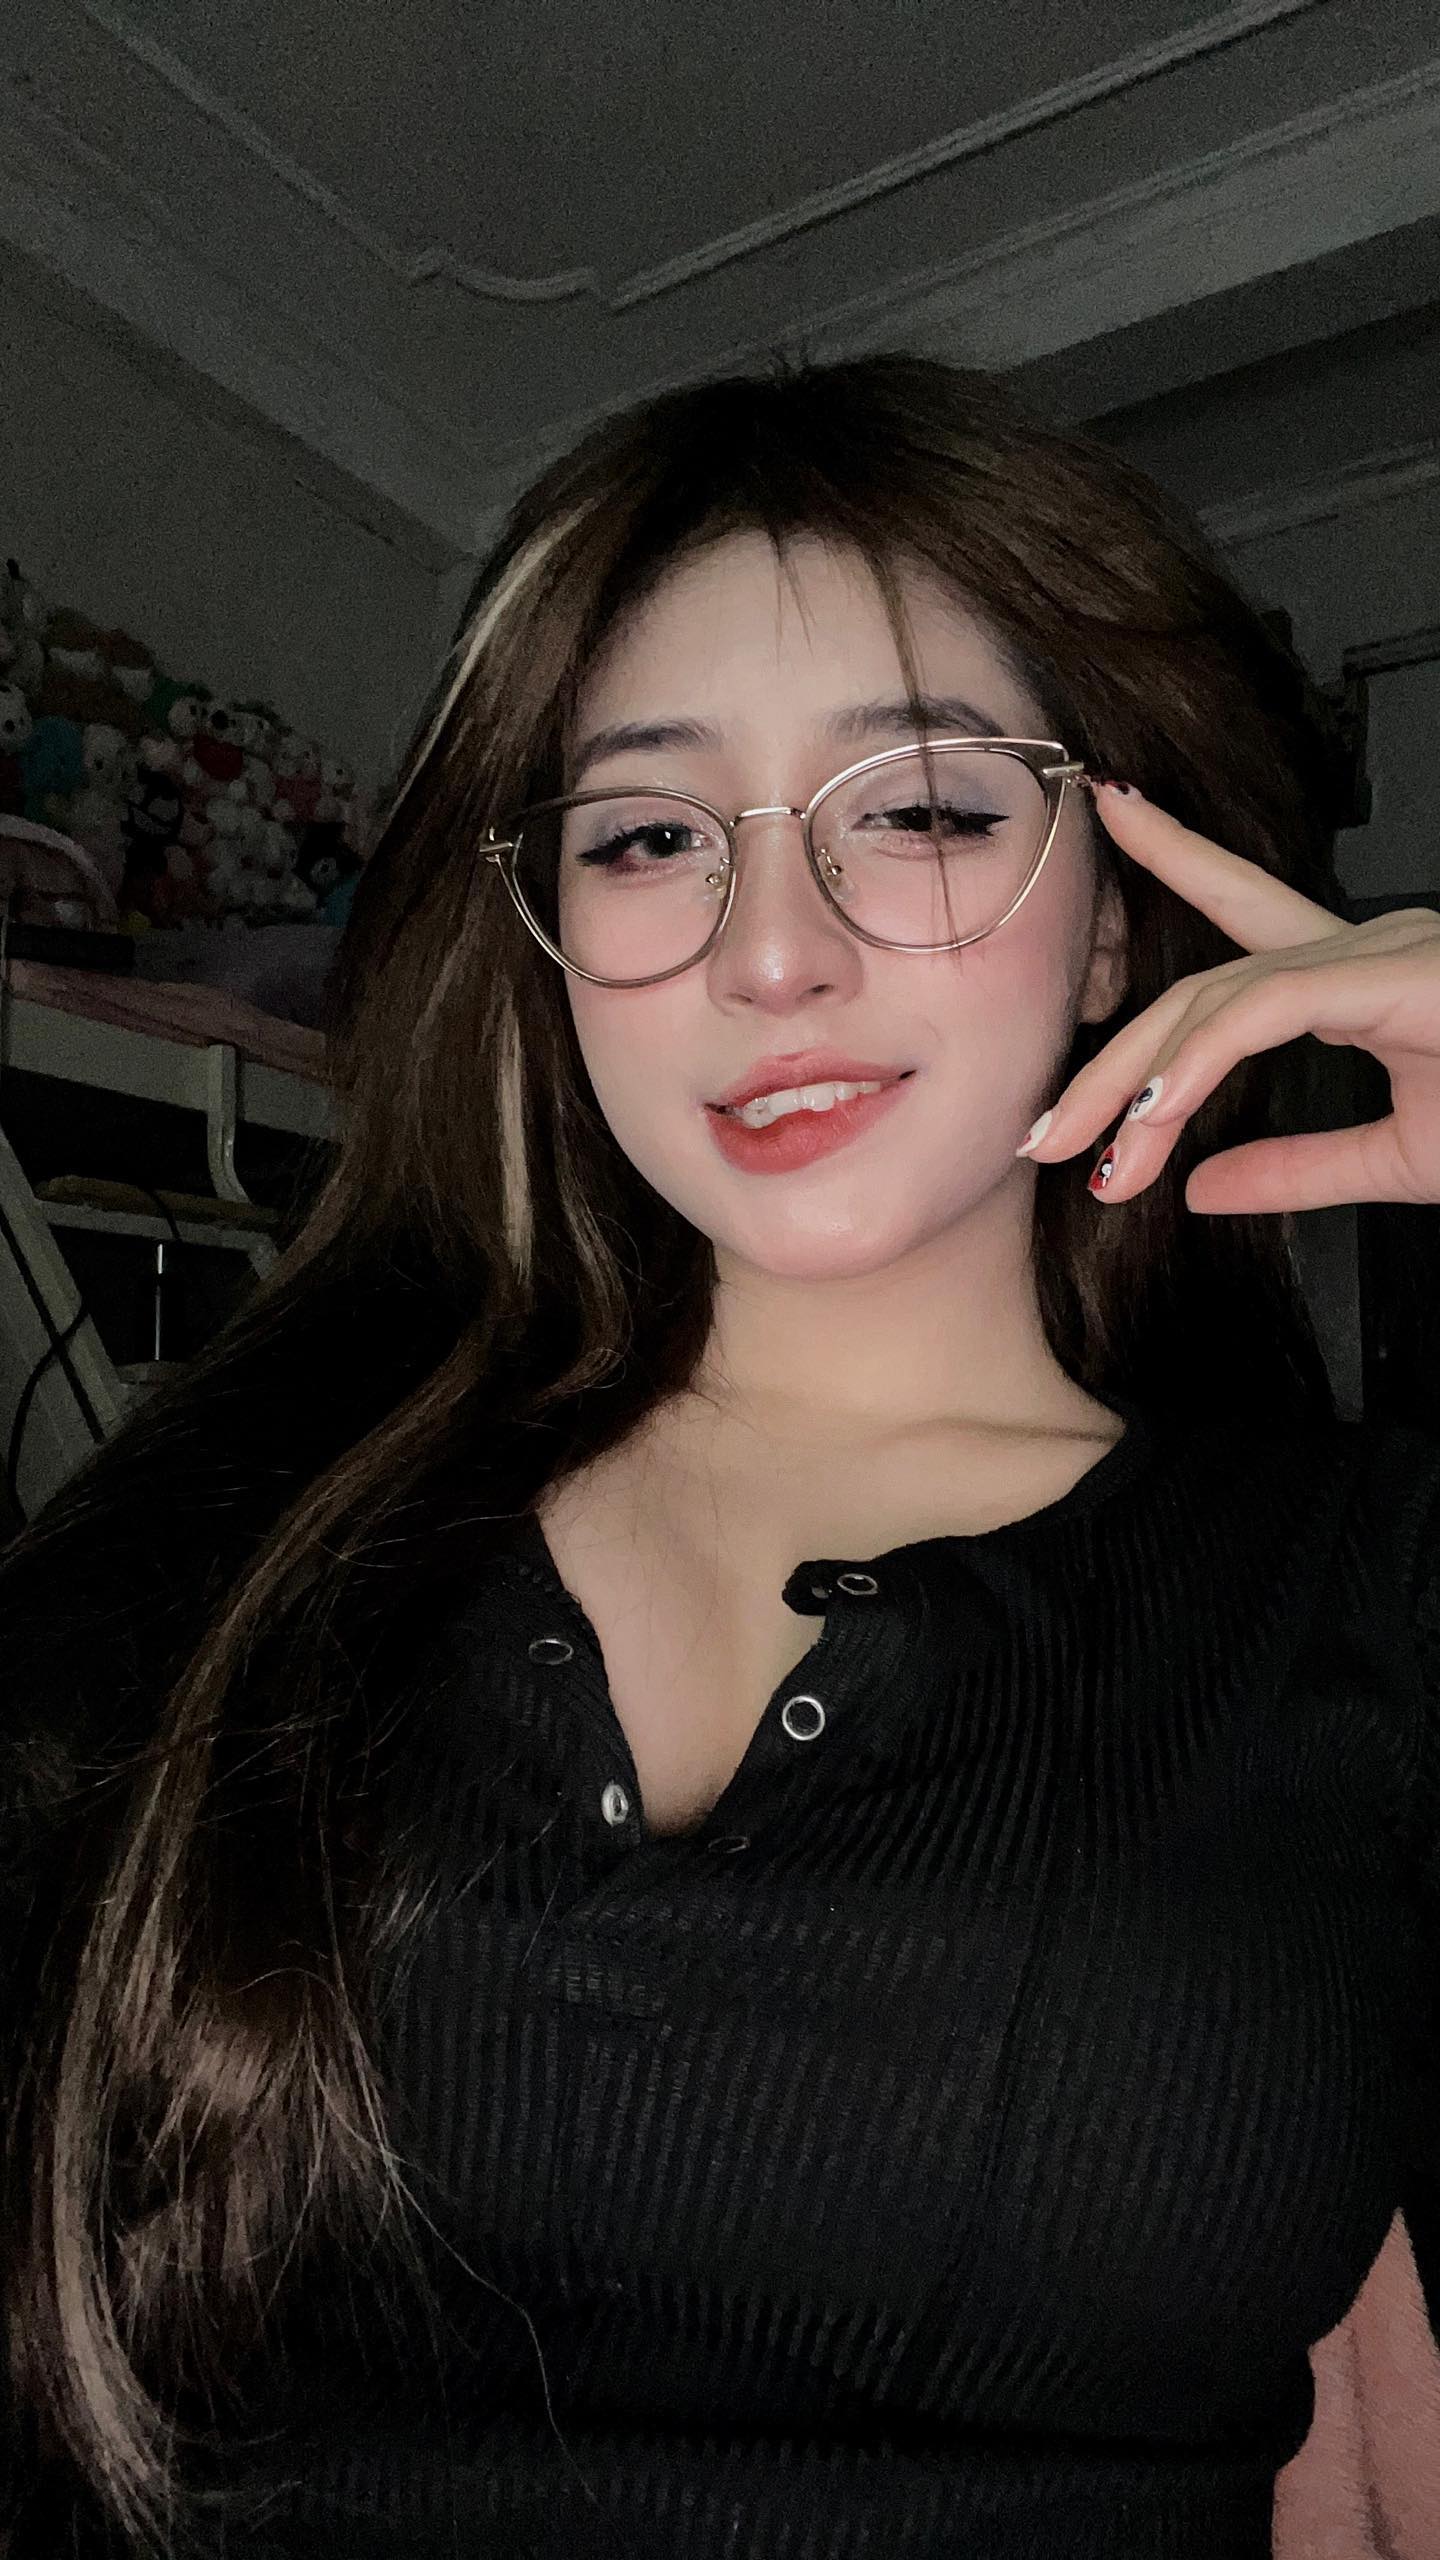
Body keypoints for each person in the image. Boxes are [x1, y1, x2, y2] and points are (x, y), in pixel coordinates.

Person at [2, 351, 1440, 2560]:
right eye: (651, 836)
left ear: (1116, 921)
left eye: (925, 811)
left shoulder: (1364, 1582)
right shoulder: (240, 1522)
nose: (770, 953)